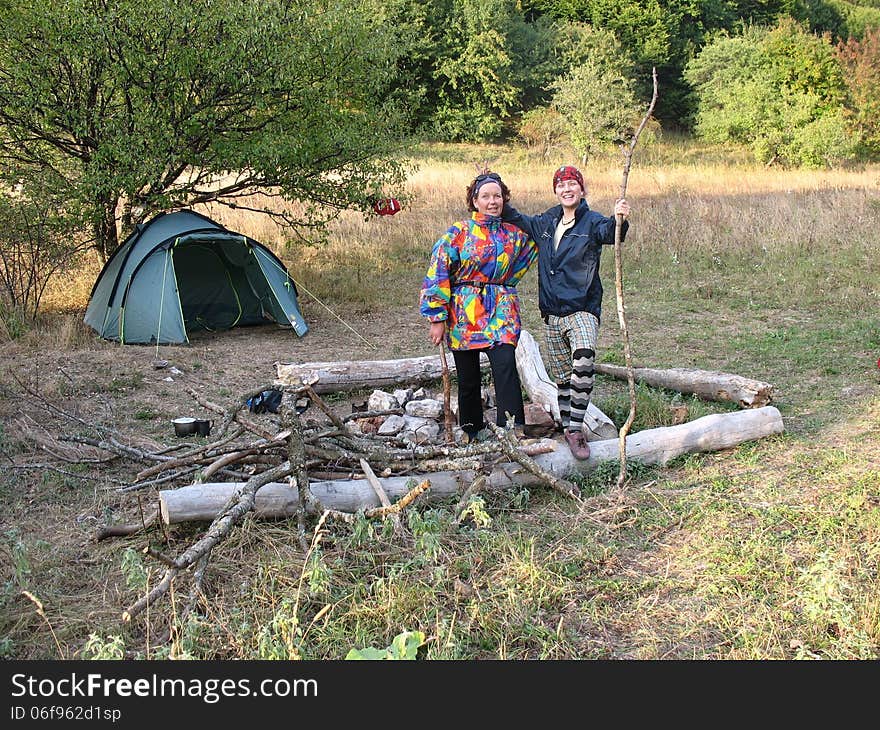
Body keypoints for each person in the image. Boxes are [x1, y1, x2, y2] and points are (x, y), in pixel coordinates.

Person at [500, 164, 631, 460]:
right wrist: (495, 189)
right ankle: (567, 426)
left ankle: (575, 430)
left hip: (582, 307)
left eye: (572, 184)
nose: (567, 189)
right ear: (555, 190)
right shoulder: (547, 221)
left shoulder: (591, 222)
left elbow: (611, 233)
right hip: (552, 312)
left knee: (583, 360)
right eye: (561, 185)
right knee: (561, 378)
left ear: (581, 190)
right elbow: (516, 218)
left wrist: (620, 218)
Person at [420, 171, 538, 443]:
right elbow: (438, 271)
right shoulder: (458, 233)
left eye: (497, 196)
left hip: (502, 312)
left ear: (504, 200)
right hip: (464, 314)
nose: (492, 201)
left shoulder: (515, 234)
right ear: (474, 201)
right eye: (485, 196)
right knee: (469, 376)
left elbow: (539, 244)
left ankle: (511, 430)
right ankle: (471, 430)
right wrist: (436, 317)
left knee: (506, 366)